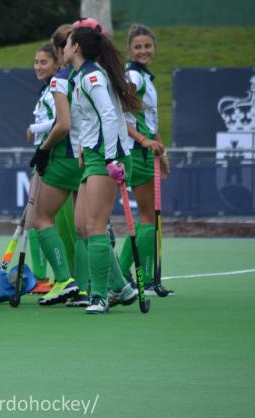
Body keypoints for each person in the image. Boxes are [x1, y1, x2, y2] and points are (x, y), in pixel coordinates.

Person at [64, 24, 143, 314]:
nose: (63, 47)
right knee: (83, 227)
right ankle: (122, 287)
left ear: (76, 47)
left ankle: (98, 295)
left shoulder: (93, 75)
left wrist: (111, 159)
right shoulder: (80, 76)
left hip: (110, 157)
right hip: (95, 155)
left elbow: (109, 116)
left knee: (95, 226)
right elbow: (88, 119)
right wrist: (83, 148)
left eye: (67, 42)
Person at [27, 42, 85, 306]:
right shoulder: (57, 86)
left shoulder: (58, 86)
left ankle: (64, 279)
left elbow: (62, 122)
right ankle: (87, 285)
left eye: (44, 62)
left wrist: (36, 132)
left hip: (59, 157)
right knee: (83, 227)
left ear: (57, 63)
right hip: (69, 156)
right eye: (36, 62)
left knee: (42, 219)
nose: (39, 67)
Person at [118, 24, 171, 296]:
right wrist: (142, 141)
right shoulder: (134, 78)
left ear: (154, 48)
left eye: (147, 46)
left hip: (146, 152)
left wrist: (162, 151)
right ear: (130, 49)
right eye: (138, 47)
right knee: (149, 218)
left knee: (145, 218)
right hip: (137, 154)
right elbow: (120, 113)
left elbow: (149, 121)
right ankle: (146, 281)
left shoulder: (145, 78)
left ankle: (123, 270)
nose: (143, 51)